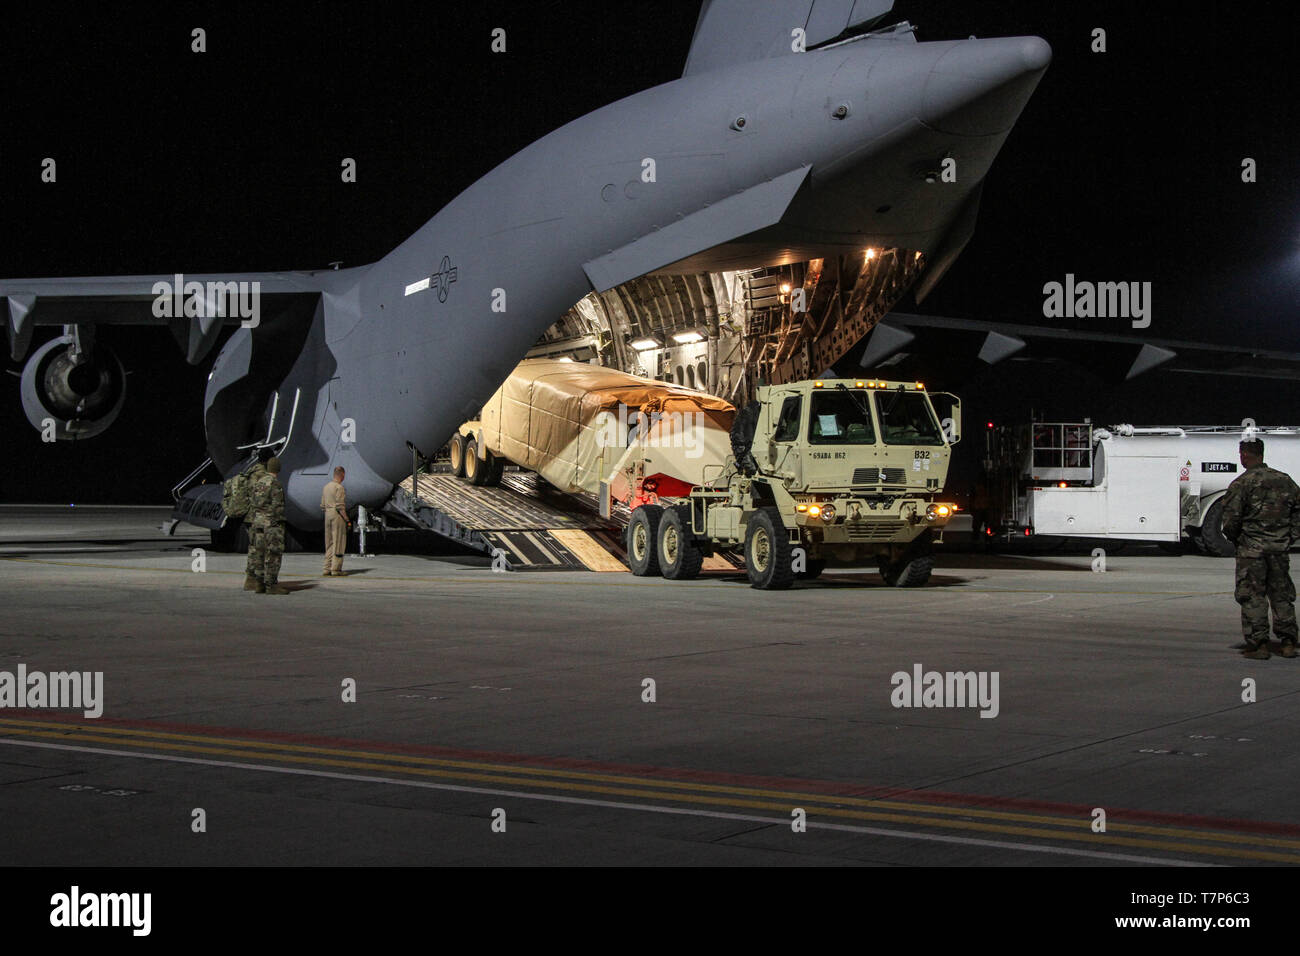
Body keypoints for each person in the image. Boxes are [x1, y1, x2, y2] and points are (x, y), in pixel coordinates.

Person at [1220, 438, 1300, 659]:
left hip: (1252, 550)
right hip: (1279, 548)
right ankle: (1288, 643)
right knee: (1281, 594)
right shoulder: (1285, 481)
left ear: (1245, 455)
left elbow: (1230, 521)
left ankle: (1259, 645)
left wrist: (1238, 540)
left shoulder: (1241, 484)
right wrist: (1290, 536)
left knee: (1253, 595)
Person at [247, 456, 289, 595]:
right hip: (271, 524)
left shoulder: (259, 482)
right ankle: (271, 585)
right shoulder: (275, 483)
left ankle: (259, 584)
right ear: (278, 468)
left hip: (258, 523)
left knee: (259, 553)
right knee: (273, 554)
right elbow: (278, 507)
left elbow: (253, 502)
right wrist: (280, 521)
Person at [242, 448, 275, 591]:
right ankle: (258, 580)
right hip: (259, 516)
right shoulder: (262, 475)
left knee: (253, 548)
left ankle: (250, 579)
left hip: (250, 515)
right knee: (261, 549)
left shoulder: (251, 472)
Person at [320, 466, 350, 576]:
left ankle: (326, 568)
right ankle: (336, 569)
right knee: (339, 542)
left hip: (327, 514)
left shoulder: (326, 487)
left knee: (329, 543)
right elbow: (340, 506)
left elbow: (322, 505)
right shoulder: (339, 488)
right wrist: (346, 518)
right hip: (337, 515)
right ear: (342, 474)